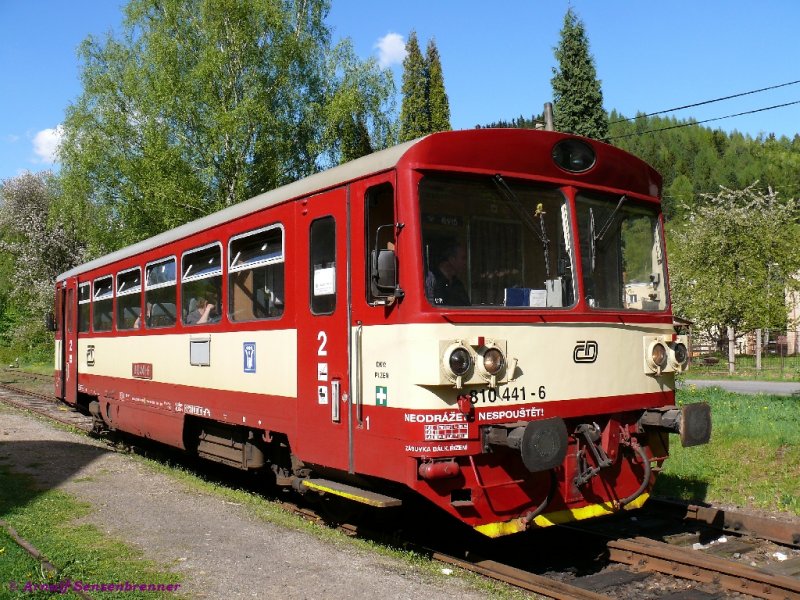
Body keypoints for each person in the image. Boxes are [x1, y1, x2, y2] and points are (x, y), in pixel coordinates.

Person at [426, 240, 471, 306]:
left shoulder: (457, 284)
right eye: (463, 258)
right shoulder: (431, 280)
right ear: (452, 259)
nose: (466, 263)